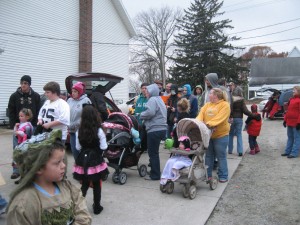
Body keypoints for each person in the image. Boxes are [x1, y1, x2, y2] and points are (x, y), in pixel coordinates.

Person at [6, 130, 92, 224]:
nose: (64, 165)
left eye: (63, 160)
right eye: (57, 162)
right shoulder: (23, 203)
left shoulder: (67, 187)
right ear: (38, 167)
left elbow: (83, 213)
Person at [73, 105, 109, 214]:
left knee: (84, 183)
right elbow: (104, 147)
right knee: (97, 183)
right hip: (96, 160)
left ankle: (78, 207)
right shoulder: (99, 131)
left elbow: (78, 147)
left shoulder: (78, 131)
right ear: (95, 116)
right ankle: (97, 207)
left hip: (83, 160)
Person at [196, 88, 230, 183]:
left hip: (221, 135)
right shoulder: (207, 105)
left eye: (210, 93)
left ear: (216, 95)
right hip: (208, 135)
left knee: (221, 156)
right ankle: (208, 175)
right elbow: (200, 115)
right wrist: (198, 123)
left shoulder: (225, 105)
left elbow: (220, 118)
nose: (208, 94)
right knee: (209, 156)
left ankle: (223, 175)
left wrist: (208, 124)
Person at [140, 84, 167, 180]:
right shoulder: (159, 99)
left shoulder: (152, 99)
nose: (146, 93)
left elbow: (150, 112)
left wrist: (141, 115)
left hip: (154, 129)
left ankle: (155, 175)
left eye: (147, 91)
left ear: (151, 91)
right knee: (155, 152)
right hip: (162, 129)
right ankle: (154, 171)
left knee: (153, 153)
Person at [228, 89, 259, 156]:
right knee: (239, 134)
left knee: (231, 134)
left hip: (232, 119)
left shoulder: (231, 99)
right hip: (239, 119)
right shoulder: (241, 100)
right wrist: (253, 115)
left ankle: (230, 150)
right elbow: (245, 111)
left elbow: (229, 109)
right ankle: (240, 151)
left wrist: (230, 116)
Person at [67, 82, 91, 160]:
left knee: (82, 151)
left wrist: (74, 124)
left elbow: (87, 116)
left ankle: (85, 168)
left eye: (75, 91)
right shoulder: (69, 100)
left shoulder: (86, 100)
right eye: (72, 91)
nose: (73, 93)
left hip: (82, 132)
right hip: (72, 131)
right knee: (74, 151)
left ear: (80, 92)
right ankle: (79, 168)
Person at [11, 108, 34, 182]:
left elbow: (27, 136)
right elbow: (15, 133)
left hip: (25, 147)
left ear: (27, 117)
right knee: (20, 163)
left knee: (25, 163)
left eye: (22, 116)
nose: (20, 118)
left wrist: (19, 133)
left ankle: (26, 178)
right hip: (20, 146)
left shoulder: (28, 125)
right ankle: (22, 177)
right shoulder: (20, 124)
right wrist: (15, 127)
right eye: (19, 116)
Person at [281, 86, 300, 158]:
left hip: (296, 123)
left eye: (294, 90)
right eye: (293, 90)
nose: (293, 91)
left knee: (297, 138)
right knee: (290, 137)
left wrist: (299, 122)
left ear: (298, 91)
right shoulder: (291, 100)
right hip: (290, 122)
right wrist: (285, 120)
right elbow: (288, 111)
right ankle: (287, 151)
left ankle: (294, 153)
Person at [134, 83, 149, 152]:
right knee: (139, 134)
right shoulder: (138, 98)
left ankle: (144, 147)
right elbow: (136, 109)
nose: (144, 90)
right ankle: (139, 147)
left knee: (144, 134)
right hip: (138, 120)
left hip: (147, 120)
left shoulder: (149, 98)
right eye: (143, 88)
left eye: (146, 88)